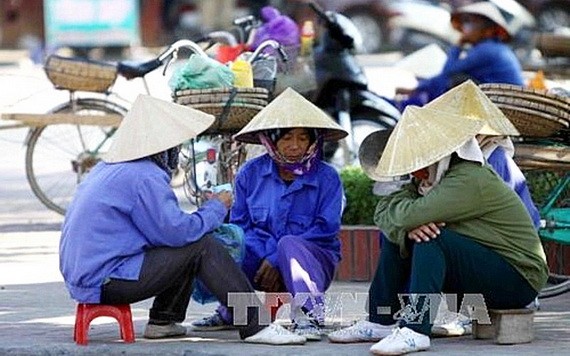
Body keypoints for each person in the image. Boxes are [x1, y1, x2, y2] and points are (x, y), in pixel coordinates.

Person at [59, 94, 305, 345]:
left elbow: (165, 228)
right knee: (202, 246)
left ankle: (163, 320)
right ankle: (255, 325)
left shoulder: (109, 168)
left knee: (190, 240)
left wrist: (203, 215)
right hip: (105, 279)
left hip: (88, 275)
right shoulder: (145, 176)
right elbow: (177, 233)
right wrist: (216, 207)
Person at [328, 100, 548, 354]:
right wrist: (406, 227)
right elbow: (385, 211)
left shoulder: (468, 178)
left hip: (519, 281)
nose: (409, 165)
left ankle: (416, 330)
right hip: (483, 276)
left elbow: (404, 212)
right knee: (404, 233)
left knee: (431, 238)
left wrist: (407, 223)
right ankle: (380, 321)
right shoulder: (431, 178)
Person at [191, 88, 348, 341]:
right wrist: (268, 255)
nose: (295, 146)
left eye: (302, 138)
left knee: (289, 245)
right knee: (225, 243)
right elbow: (241, 228)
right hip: (260, 261)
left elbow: (325, 229)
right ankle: (234, 312)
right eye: (286, 138)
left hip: (312, 261)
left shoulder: (328, 177)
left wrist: (277, 256)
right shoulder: (249, 174)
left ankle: (309, 315)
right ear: (271, 141)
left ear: (313, 141)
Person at [395, 2, 524, 109]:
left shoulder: (487, 50)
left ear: (487, 29)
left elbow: (448, 71)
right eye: (465, 22)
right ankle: (412, 104)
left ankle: (412, 106)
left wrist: (457, 46)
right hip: (500, 102)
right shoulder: (490, 47)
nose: (464, 28)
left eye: (470, 23)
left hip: (506, 107)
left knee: (451, 81)